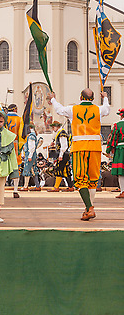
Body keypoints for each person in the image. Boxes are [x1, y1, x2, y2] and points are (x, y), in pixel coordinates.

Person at [47, 88, 110, 221]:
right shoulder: (98, 110)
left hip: (79, 147)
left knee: (80, 178)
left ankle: (89, 208)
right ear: (92, 99)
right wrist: (105, 97)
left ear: (81, 97)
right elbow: (107, 109)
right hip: (95, 147)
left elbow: (59, 109)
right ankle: (89, 208)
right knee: (93, 179)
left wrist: (53, 98)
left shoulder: (73, 109)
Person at [46, 121, 74, 192]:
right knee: (65, 170)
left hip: (63, 154)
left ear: (56, 126)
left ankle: (56, 187)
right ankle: (70, 187)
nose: (53, 129)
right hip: (65, 154)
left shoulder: (62, 133)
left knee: (59, 169)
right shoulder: (60, 133)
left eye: (53, 127)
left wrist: (61, 155)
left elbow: (64, 146)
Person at [106, 108, 124, 198]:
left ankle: (123, 191)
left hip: (121, 150)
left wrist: (108, 150)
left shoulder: (118, 125)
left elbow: (112, 139)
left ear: (121, 116)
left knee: (121, 172)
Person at [21, 124, 43, 191]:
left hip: (30, 154)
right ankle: (37, 186)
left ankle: (25, 186)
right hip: (32, 154)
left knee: (27, 169)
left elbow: (32, 147)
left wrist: (29, 156)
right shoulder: (32, 135)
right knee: (33, 170)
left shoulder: (31, 136)